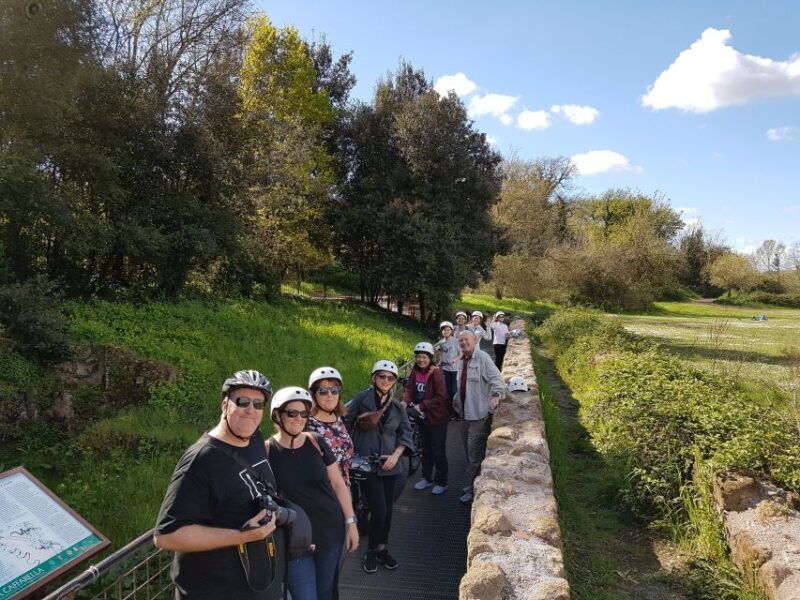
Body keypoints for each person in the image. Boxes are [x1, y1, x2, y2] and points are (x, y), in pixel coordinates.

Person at [154, 370, 285, 600]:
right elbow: (166, 536)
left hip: (257, 582)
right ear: (225, 404)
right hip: (214, 590)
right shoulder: (201, 459)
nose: (250, 411)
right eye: (242, 401)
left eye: (258, 404)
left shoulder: (254, 438)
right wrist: (242, 536)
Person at [266, 386, 359, 600]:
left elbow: (338, 483)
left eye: (304, 413)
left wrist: (351, 522)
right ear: (277, 415)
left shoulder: (316, 441)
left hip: (329, 531)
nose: (299, 418)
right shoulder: (268, 450)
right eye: (292, 413)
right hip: (296, 538)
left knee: (326, 592)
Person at [344, 360, 414, 574]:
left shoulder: (396, 406)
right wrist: (346, 453)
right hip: (367, 464)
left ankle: (383, 548)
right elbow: (345, 424)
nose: (385, 380)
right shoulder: (361, 399)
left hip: (390, 464)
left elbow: (406, 432)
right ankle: (372, 550)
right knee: (380, 510)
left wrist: (396, 455)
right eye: (381, 376)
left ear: (394, 382)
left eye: (390, 378)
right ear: (374, 378)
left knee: (388, 509)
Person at [454, 331, 505, 504]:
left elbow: (497, 379)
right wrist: (455, 399)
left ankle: (473, 490)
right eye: (460, 340)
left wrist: (496, 394)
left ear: (475, 340)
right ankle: (474, 484)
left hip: (478, 416)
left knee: (474, 455)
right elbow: (462, 384)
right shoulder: (462, 360)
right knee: (469, 454)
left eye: (466, 339)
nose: (463, 343)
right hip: (464, 415)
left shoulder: (482, 358)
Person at [404, 342, 449, 494]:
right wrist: (405, 400)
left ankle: (441, 481)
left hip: (437, 418)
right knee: (425, 449)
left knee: (438, 450)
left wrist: (422, 406)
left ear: (430, 358)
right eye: (418, 357)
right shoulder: (415, 372)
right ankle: (426, 478)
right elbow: (409, 388)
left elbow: (441, 396)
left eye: (424, 357)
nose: (421, 360)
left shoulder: (436, 373)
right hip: (422, 418)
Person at [306, 366, 354, 486]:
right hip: (322, 492)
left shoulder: (339, 419)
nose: (329, 395)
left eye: (334, 390)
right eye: (323, 391)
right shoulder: (306, 424)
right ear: (313, 395)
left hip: (344, 488)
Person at [437, 321, 460, 418]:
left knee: (454, 390)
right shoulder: (441, 342)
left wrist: (455, 359)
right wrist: (439, 364)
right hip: (445, 368)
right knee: (447, 390)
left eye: (447, 330)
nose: (445, 332)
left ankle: (457, 411)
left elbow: (461, 353)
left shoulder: (456, 341)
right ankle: (449, 410)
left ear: (451, 331)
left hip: (454, 369)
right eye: (444, 330)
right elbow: (441, 353)